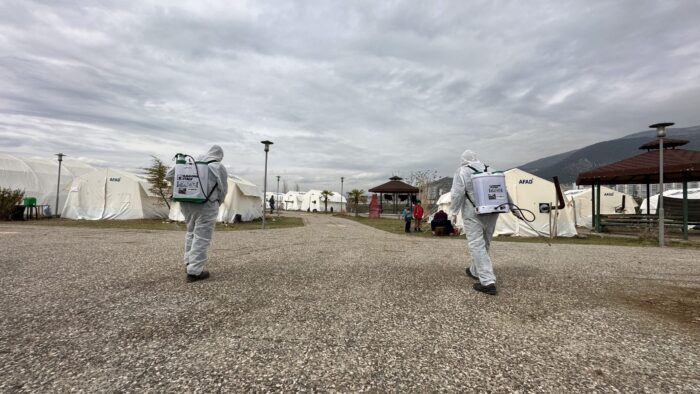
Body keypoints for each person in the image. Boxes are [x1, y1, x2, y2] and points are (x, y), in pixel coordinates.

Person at [166, 145, 228, 283]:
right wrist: (219, 202)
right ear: (219, 156)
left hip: (186, 203)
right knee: (202, 237)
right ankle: (194, 271)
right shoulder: (218, 166)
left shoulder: (191, 163)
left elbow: (169, 175)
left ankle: (189, 263)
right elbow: (223, 188)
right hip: (207, 204)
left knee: (191, 232)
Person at [450, 149, 499, 295]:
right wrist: (511, 206)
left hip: (474, 212)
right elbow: (502, 189)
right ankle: (475, 270)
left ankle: (487, 281)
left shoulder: (462, 171)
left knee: (476, 244)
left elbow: (457, 193)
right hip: (494, 210)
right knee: (485, 242)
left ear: (463, 159)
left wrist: (453, 212)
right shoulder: (490, 169)